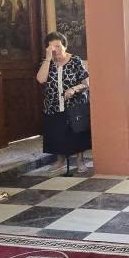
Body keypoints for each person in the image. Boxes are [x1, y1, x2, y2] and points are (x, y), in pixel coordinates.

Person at [36, 31, 91, 171]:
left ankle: (80, 161)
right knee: (56, 132)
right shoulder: (47, 63)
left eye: (58, 46)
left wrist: (73, 89)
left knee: (77, 133)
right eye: (51, 47)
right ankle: (59, 160)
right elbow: (41, 79)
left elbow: (86, 83)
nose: (55, 50)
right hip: (53, 104)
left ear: (65, 46)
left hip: (74, 105)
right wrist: (48, 59)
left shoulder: (75, 60)